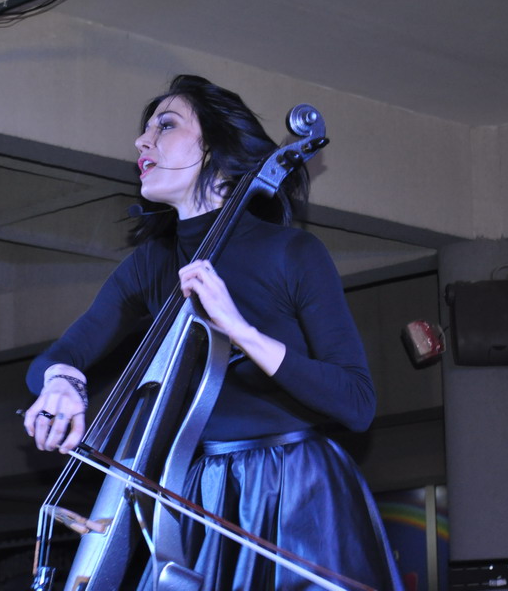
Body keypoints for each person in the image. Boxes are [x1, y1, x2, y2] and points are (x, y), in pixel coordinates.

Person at [23, 75, 401, 590]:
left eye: (166, 125)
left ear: (217, 152)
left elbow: (357, 403)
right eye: (146, 129)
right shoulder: (150, 265)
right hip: (200, 491)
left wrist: (240, 331)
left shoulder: (292, 253)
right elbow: (63, 353)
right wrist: (63, 383)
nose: (141, 141)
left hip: (295, 490)